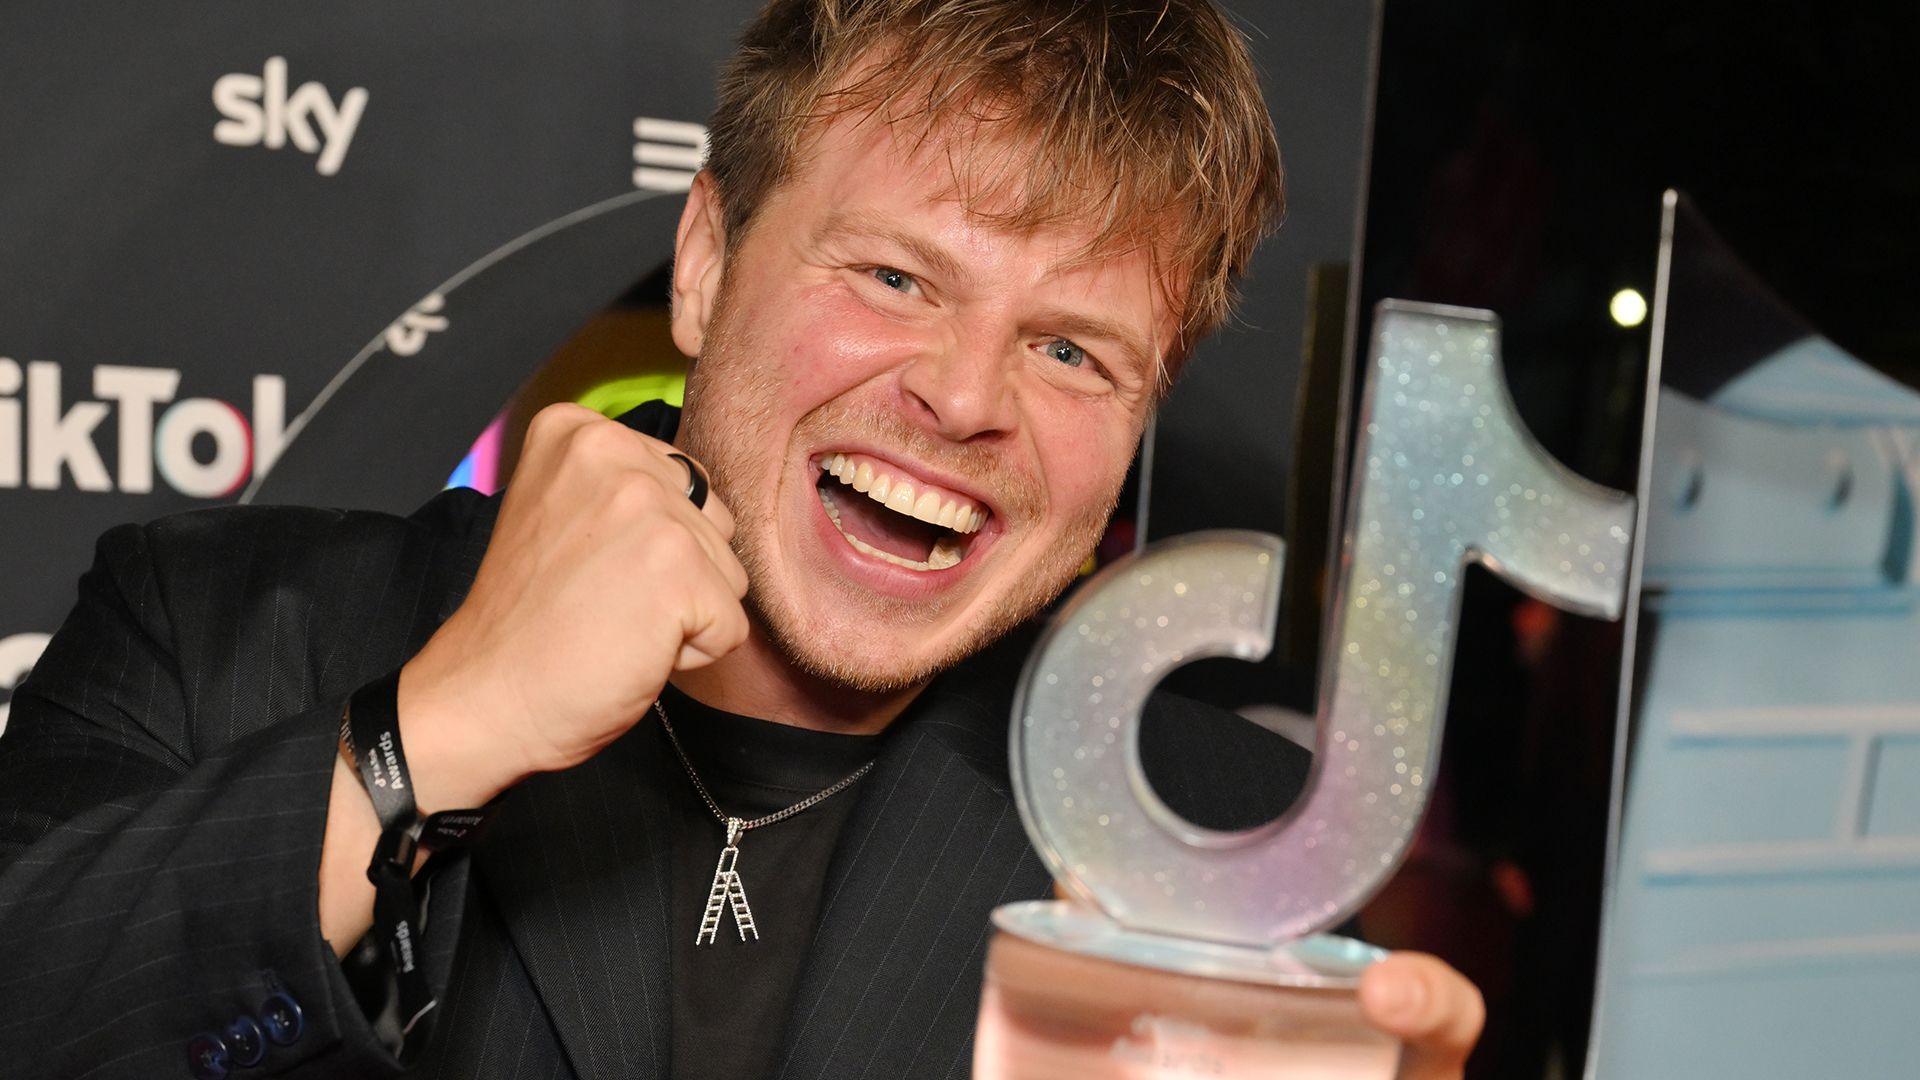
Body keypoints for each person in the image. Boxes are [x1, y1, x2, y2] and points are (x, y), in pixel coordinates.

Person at [0, 0, 1484, 1076]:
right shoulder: (215, 634)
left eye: (1073, 353)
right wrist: (436, 732)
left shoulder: (1213, 852)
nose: (965, 399)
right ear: (706, 265)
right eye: (897, 277)